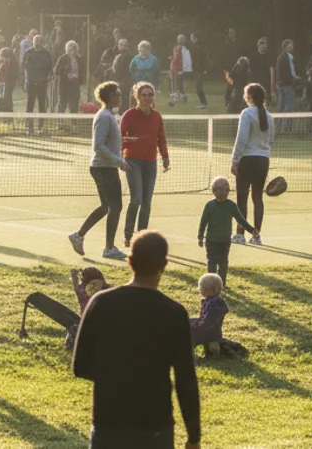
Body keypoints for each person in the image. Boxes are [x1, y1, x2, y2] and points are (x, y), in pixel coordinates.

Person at [72, 230, 200, 449]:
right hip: (154, 424)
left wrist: (114, 377)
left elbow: (80, 366)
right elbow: (185, 378)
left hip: (108, 422)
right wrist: (194, 437)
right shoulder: (173, 312)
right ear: (164, 265)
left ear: (129, 261)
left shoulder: (100, 303)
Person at [69, 82, 128, 260]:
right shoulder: (104, 117)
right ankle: (109, 248)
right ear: (107, 96)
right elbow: (98, 145)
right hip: (103, 168)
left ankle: (78, 235)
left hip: (106, 167)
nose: (119, 97)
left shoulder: (110, 116)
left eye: (119, 94)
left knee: (106, 206)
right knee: (115, 206)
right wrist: (119, 161)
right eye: (116, 94)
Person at [121, 83, 170, 247]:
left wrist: (165, 157)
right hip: (132, 161)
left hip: (150, 162)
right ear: (137, 96)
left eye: (150, 95)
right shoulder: (129, 115)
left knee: (147, 202)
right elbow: (120, 137)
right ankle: (128, 236)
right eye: (144, 95)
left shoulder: (156, 116)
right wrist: (126, 147)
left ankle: (141, 237)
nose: (147, 98)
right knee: (136, 199)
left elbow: (161, 138)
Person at [231, 83, 274, 245]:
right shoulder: (269, 116)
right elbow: (271, 139)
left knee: (242, 198)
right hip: (263, 160)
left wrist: (235, 161)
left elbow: (241, 139)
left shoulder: (246, 113)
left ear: (249, 97)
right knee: (258, 198)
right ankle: (256, 236)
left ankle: (240, 234)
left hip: (247, 159)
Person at [197, 176, 256, 285]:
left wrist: (251, 230)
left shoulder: (231, 206)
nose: (226, 190)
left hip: (225, 241)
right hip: (211, 241)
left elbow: (241, 220)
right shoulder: (209, 206)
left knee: (223, 263)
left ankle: (222, 284)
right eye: (222, 188)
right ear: (214, 191)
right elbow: (203, 222)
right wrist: (200, 236)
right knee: (211, 263)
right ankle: (211, 284)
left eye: (227, 188)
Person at [22, 35, 54, 134]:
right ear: (33, 41)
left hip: (42, 83)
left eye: (39, 40)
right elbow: (23, 65)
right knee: (30, 105)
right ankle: (29, 128)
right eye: (36, 40)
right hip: (30, 83)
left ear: (42, 42)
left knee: (42, 106)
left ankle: (41, 127)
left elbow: (50, 68)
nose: (37, 41)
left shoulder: (46, 54)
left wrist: (49, 76)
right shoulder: (28, 53)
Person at [189, 273, 229, 352]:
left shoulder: (216, 303)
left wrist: (195, 326)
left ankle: (211, 346)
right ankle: (211, 346)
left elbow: (208, 321)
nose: (199, 290)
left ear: (206, 289)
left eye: (200, 287)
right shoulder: (209, 301)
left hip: (209, 333)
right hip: (211, 332)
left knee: (189, 333)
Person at [55, 41, 84, 116]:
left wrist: (79, 77)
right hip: (64, 85)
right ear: (67, 50)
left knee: (74, 105)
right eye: (70, 50)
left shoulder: (79, 59)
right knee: (62, 103)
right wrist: (66, 74)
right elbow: (56, 71)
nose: (72, 52)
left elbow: (82, 71)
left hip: (75, 85)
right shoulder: (62, 58)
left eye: (73, 49)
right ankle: (60, 121)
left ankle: (74, 123)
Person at [276, 39, 299, 130]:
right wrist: (294, 77)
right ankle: (284, 127)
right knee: (289, 105)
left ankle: (279, 125)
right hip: (286, 84)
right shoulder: (287, 57)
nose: (291, 48)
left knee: (281, 105)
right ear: (285, 47)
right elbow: (288, 71)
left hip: (281, 84)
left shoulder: (280, 57)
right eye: (290, 46)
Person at [111, 39, 133, 113]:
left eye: (125, 45)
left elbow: (128, 69)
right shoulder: (115, 55)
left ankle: (124, 112)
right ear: (118, 46)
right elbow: (114, 68)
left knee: (125, 97)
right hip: (118, 79)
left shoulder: (128, 56)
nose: (123, 47)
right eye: (121, 45)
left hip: (126, 80)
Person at [0, 46, 18, 113]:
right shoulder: (13, 63)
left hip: (4, 83)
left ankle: (5, 114)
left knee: (3, 99)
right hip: (8, 83)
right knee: (7, 99)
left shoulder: (6, 62)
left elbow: (3, 74)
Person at [189, 33, 208, 109]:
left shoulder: (198, 47)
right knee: (198, 85)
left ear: (195, 38)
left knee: (198, 85)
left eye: (192, 37)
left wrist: (204, 70)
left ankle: (203, 103)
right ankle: (203, 102)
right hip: (199, 69)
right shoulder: (197, 47)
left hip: (201, 70)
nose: (191, 39)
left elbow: (202, 59)